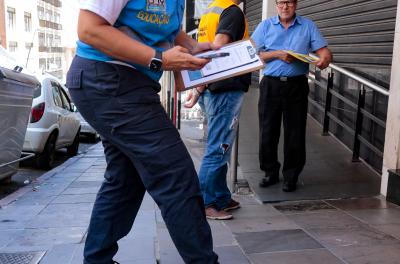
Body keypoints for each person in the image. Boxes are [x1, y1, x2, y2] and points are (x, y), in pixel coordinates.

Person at [66, 1, 220, 263]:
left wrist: (193, 46)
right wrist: (158, 58)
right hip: (107, 79)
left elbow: (163, 25)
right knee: (176, 175)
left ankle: (97, 260)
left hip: (127, 83)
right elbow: (89, 29)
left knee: (125, 179)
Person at [251, 0, 332, 192]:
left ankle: (291, 176)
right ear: (276, 5)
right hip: (271, 84)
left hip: (296, 86)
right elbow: (251, 53)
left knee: (295, 132)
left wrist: (325, 59)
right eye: (281, 2)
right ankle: (270, 172)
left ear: (295, 4)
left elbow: (324, 52)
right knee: (267, 130)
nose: (284, 6)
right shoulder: (265, 26)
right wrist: (277, 54)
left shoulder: (308, 26)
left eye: (288, 2)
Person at [185, 0, 251, 220]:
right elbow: (217, 49)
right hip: (226, 89)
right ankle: (206, 202)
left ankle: (221, 196)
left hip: (213, 89)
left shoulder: (210, 12)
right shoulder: (231, 12)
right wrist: (200, 86)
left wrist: (198, 88)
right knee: (218, 147)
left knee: (221, 146)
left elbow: (204, 50)